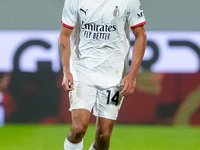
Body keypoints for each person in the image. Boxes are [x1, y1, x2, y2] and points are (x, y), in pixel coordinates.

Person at [59, 0, 146, 149]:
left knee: (104, 136)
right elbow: (65, 35)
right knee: (79, 129)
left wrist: (132, 75)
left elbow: (141, 36)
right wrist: (67, 71)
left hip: (114, 74)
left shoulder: (129, 2)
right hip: (82, 70)